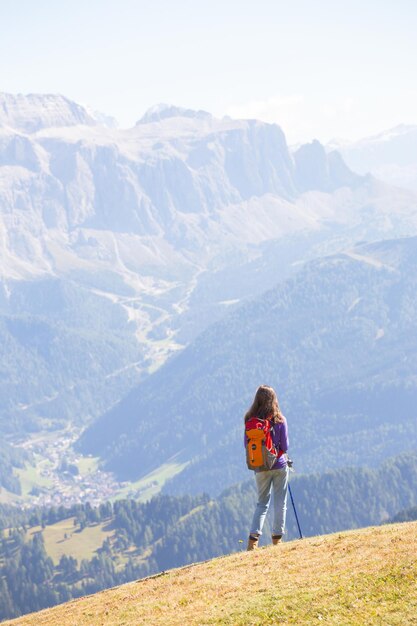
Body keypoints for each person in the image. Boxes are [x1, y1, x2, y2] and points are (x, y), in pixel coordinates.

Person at [244, 385, 289, 550]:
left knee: (262, 503)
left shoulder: (250, 421)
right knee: (280, 502)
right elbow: (285, 445)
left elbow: (246, 445)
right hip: (279, 465)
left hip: (259, 467)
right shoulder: (280, 420)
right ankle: (277, 539)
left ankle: (253, 541)